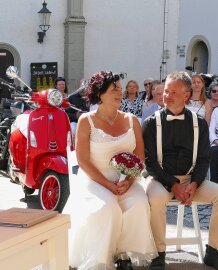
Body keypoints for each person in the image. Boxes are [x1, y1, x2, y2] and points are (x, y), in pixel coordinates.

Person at [63, 71, 157, 269]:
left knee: (139, 203)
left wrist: (129, 181)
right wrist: (107, 184)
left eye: (121, 89)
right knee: (108, 208)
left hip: (126, 180)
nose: (120, 93)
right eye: (115, 89)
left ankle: (123, 255)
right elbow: (83, 160)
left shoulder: (132, 120)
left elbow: (140, 156)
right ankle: (101, 260)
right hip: (95, 180)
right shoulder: (86, 121)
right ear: (100, 93)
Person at [143, 71, 218, 270]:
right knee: (156, 199)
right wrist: (173, 185)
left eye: (173, 92)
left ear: (186, 95)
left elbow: (203, 159)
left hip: (191, 179)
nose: (167, 95)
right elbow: (149, 163)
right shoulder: (151, 123)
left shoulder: (199, 123)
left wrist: (194, 183)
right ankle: (158, 253)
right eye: (166, 91)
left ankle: (213, 251)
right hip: (160, 180)